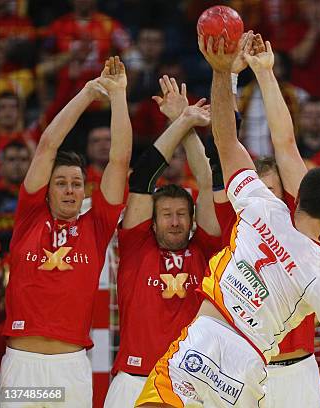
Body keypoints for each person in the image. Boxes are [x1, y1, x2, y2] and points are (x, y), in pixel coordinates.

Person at [135, 35, 320, 407]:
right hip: (248, 363)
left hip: (204, 335)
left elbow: (226, 140)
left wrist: (224, 72)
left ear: (296, 195)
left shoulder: (261, 205)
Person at [0, 57, 131, 407]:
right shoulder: (29, 216)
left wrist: (118, 96)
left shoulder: (97, 225)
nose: (70, 189)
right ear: (47, 190)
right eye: (61, 183)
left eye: (76, 183)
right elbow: (47, 144)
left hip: (70, 367)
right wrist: (88, 92)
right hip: (22, 365)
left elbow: (119, 160)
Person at [215, 33, 320, 408]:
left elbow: (286, 144)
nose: (267, 201)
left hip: (297, 371)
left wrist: (264, 73)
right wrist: (227, 77)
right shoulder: (241, 223)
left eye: (274, 191)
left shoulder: (302, 224)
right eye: (258, 193)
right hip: (244, 367)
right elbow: (226, 141)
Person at [104, 75, 221, 407]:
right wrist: (181, 121)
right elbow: (142, 179)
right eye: (166, 214)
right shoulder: (135, 246)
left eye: (182, 214)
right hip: (133, 381)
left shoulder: (206, 249)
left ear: (192, 219)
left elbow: (208, 180)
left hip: (187, 384)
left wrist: (186, 126)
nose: (174, 221)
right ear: (151, 223)